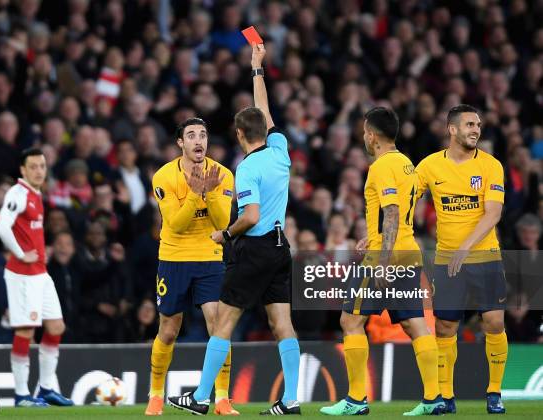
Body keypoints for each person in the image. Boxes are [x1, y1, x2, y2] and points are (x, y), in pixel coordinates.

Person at [169, 43, 301, 416]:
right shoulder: (280, 149)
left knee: (223, 323)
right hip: (280, 248)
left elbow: (252, 216)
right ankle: (290, 400)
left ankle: (199, 399)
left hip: (255, 248)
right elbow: (266, 113)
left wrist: (225, 234)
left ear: (241, 134)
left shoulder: (246, 169)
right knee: (282, 325)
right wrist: (257, 69)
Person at [321, 107, 444, 416]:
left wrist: (382, 259)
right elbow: (397, 216)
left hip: (385, 257)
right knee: (415, 324)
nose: (364, 136)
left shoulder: (380, 167)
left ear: (372, 135)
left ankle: (356, 400)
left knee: (350, 321)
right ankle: (434, 398)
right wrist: (372, 237)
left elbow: (390, 213)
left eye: (365, 131)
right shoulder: (407, 164)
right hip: (408, 251)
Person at [415, 104, 507, 414]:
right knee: (444, 327)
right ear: (452, 129)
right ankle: (445, 396)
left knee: (494, 321)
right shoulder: (429, 166)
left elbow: (493, 213)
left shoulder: (491, 166)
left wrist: (466, 248)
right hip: (446, 261)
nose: (476, 130)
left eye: (478, 125)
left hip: (485, 257)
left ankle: (494, 393)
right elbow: (404, 200)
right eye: (469, 124)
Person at [145, 117, 236, 416]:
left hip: (210, 256)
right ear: (180, 143)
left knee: (218, 325)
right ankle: (156, 393)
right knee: (169, 330)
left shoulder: (222, 175)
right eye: (192, 135)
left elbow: (223, 223)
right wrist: (197, 193)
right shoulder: (163, 176)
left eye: (203, 135)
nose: (199, 141)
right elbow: (176, 224)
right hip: (173, 258)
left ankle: (222, 398)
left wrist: (208, 192)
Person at [0, 148, 73, 407]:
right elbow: (1, 226)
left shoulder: (36, 193)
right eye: (34, 166)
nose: (39, 170)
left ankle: (47, 388)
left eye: (42, 165)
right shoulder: (17, 194)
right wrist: (20, 253)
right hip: (22, 275)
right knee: (26, 331)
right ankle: (21, 396)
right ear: (23, 170)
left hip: (40, 273)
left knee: (55, 327)